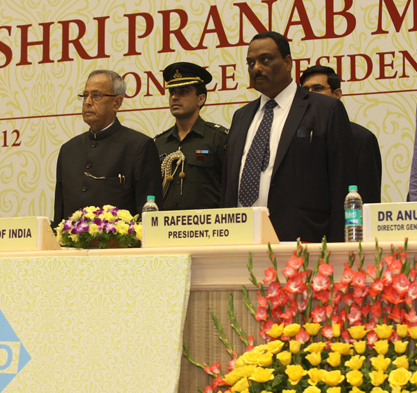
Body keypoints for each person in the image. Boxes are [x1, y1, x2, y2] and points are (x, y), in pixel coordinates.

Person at [221, 31, 357, 243]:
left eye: (265, 59)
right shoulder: (241, 117)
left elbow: (342, 184)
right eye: (250, 62)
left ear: (287, 62)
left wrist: (339, 251)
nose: (256, 68)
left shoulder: (325, 110)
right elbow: (229, 187)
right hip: (242, 242)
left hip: (304, 242)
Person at [53, 70, 162, 225]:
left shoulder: (139, 146)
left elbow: (151, 220)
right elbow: (60, 217)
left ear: (117, 103)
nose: (87, 102)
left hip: (120, 247)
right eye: (85, 95)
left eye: (96, 96)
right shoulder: (68, 150)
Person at [300, 65, 382, 203]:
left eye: (318, 88)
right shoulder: (295, 137)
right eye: (305, 91)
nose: (310, 95)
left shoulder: (362, 139)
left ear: (337, 94)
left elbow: (368, 198)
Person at [154, 62, 228, 210]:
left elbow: (231, 188)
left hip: (209, 228)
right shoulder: (159, 143)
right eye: (172, 92)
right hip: (166, 228)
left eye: (184, 92)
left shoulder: (219, 138)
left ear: (200, 99)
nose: (175, 97)